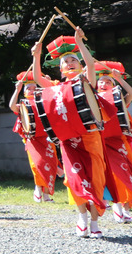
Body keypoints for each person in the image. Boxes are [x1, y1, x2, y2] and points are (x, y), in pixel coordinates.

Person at [32, 26, 106, 238]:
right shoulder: (56, 87)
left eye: (73, 60)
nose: (70, 63)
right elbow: (38, 78)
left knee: (95, 180)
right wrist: (36, 56)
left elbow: (90, 64)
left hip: (90, 138)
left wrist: (79, 42)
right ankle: (82, 218)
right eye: (66, 62)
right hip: (69, 140)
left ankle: (94, 222)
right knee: (74, 178)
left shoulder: (86, 81)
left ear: (79, 64)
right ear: (61, 69)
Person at [94, 61, 132, 223]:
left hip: (120, 143)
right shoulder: (92, 100)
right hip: (102, 144)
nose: (104, 84)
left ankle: (125, 209)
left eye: (108, 82)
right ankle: (117, 207)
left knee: (128, 174)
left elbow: (131, 93)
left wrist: (119, 79)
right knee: (113, 175)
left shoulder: (118, 100)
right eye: (101, 81)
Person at [8, 70, 61, 203]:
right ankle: (38, 187)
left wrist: (47, 84)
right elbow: (12, 106)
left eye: (34, 88)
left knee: (50, 166)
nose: (32, 91)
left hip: (47, 138)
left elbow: (56, 99)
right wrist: (17, 89)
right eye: (28, 89)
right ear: (24, 92)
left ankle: (46, 196)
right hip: (32, 139)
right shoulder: (23, 104)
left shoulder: (44, 101)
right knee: (37, 165)